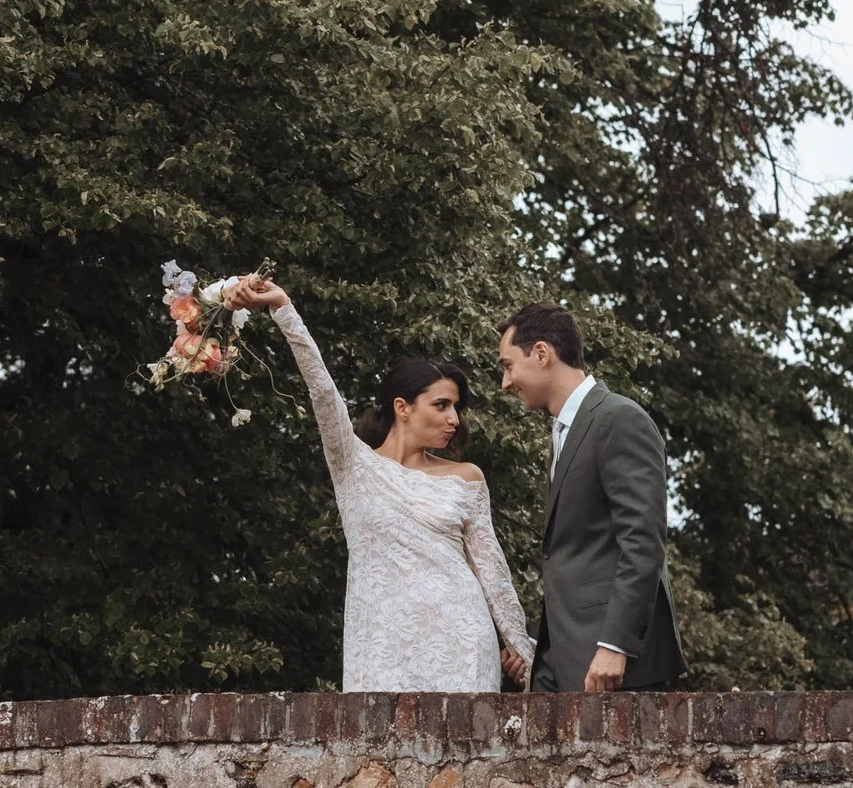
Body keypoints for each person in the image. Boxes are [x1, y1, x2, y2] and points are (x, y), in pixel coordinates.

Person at [235, 278, 534, 693]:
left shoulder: (467, 478)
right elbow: (323, 392)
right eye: (442, 405)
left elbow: (493, 574)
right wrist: (284, 310)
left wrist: (519, 645)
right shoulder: (353, 465)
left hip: (462, 639)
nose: (454, 419)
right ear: (402, 408)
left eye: (457, 408)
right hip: (379, 641)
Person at [495, 302, 683, 693]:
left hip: (613, 664)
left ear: (542, 353)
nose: (506, 382)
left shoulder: (618, 419)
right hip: (564, 658)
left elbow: (643, 542)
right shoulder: (563, 432)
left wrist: (615, 644)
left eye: (508, 365)